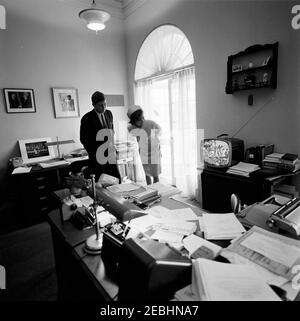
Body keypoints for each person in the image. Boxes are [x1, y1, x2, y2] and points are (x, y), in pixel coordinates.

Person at [80, 91, 120, 182]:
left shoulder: (109, 114)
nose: (104, 107)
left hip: (111, 155)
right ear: (93, 104)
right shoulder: (86, 118)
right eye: (100, 105)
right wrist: (95, 154)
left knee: (116, 180)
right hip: (97, 158)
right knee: (101, 183)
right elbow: (83, 139)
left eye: (105, 104)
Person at [127, 105, 162, 185]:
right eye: (138, 119)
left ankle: (156, 191)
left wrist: (152, 137)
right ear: (134, 119)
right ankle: (150, 192)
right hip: (144, 153)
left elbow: (159, 130)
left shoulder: (150, 123)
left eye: (142, 117)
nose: (141, 120)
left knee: (155, 175)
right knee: (147, 174)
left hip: (154, 152)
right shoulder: (132, 128)